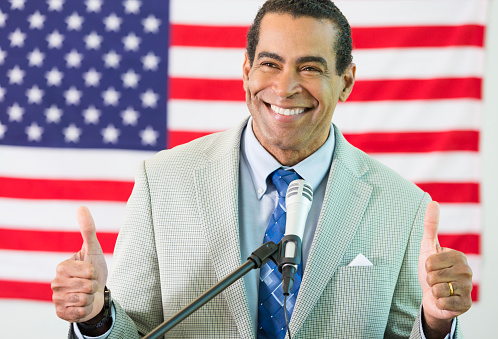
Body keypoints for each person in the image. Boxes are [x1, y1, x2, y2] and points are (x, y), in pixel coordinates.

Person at [51, 0, 473, 338]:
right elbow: (135, 334)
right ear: (246, 72)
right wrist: (96, 318)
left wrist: (436, 324)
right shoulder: (162, 182)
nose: (285, 87)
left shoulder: (403, 205)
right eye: (271, 63)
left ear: (346, 82)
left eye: (310, 67)